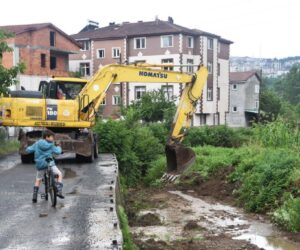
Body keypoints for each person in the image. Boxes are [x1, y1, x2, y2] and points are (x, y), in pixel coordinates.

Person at [26, 129, 64, 203]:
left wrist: (27, 148)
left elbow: (29, 150)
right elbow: (58, 152)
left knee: (38, 179)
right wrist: (59, 146)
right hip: (50, 163)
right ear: (47, 137)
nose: (53, 138)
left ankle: (34, 196)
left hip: (40, 164)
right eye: (52, 137)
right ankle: (59, 191)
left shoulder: (37, 143)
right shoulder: (51, 145)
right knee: (59, 174)